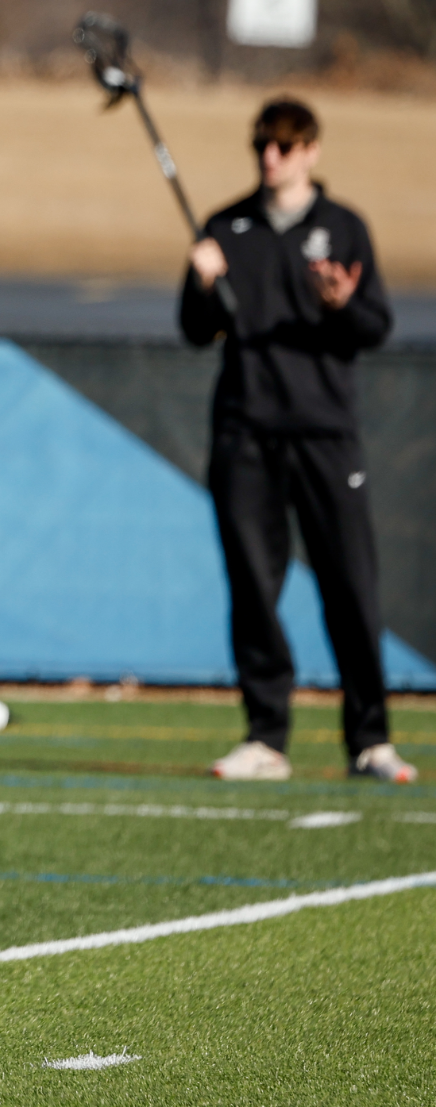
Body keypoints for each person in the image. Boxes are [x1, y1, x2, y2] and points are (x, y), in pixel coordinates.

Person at [181, 97, 414, 785]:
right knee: (253, 587)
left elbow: (374, 326)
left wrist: (342, 303)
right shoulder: (226, 226)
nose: (270, 156)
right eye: (262, 143)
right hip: (247, 432)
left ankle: (370, 740)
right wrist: (203, 282)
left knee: (351, 585)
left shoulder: (343, 228)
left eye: (283, 145)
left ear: (311, 149)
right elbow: (196, 330)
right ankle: (266, 737)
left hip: (324, 433)